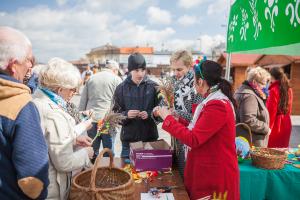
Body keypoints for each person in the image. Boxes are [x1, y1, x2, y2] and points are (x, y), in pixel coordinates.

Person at [157, 60, 239, 200]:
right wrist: (178, 120)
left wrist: (168, 119)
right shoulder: (212, 99)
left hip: (214, 177)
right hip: (209, 171)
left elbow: (194, 138)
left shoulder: (217, 105)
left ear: (200, 81)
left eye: (194, 80)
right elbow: (202, 127)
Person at [32, 58, 93, 200]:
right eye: (73, 89)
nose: (75, 93)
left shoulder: (37, 100)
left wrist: (73, 140)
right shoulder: (54, 113)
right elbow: (64, 163)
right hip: (52, 188)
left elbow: (46, 142)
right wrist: (86, 154)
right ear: (60, 89)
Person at [0, 26, 49, 199]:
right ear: (13, 65)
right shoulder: (20, 105)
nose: (31, 65)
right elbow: (33, 182)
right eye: (29, 59)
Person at [154, 50, 203, 179]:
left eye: (179, 69)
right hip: (175, 136)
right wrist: (159, 111)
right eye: (174, 69)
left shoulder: (197, 86)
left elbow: (197, 117)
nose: (176, 73)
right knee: (177, 175)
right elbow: (165, 103)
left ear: (190, 66)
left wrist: (175, 113)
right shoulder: (173, 83)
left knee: (188, 175)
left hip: (190, 139)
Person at [112, 53, 160, 158]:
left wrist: (150, 114)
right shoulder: (121, 88)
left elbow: (162, 111)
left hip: (150, 140)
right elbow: (114, 115)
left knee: (149, 173)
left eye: (143, 70)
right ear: (130, 70)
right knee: (128, 173)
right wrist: (126, 114)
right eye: (136, 70)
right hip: (129, 142)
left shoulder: (154, 87)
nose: (140, 74)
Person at [79, 60, 122, 159]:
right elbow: (120, 102)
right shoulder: (117, 79)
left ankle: (93, 171)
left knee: (92, 150)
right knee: (108, 150)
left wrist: (81, 119)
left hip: (92, 120)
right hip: (108, 120)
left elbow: (83, 100)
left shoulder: (91, 78)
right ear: (115, 70)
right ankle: (107, 171)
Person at [235, 67, 271, 147]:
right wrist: (265, 128)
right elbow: (249, 120)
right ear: (254, 82)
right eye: (263, 83)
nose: (265, 86)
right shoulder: (249, 96)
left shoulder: (244, 91)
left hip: (246, 141)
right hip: (251, 143)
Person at [267, 67, 293, 148]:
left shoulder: (273, 90)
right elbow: (289, 108)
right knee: (282, 151)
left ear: (272, 76)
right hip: (287, 121)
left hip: (276, 124)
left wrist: (268, 128)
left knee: (273, 152)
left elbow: (271, 111)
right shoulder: (289, 89)